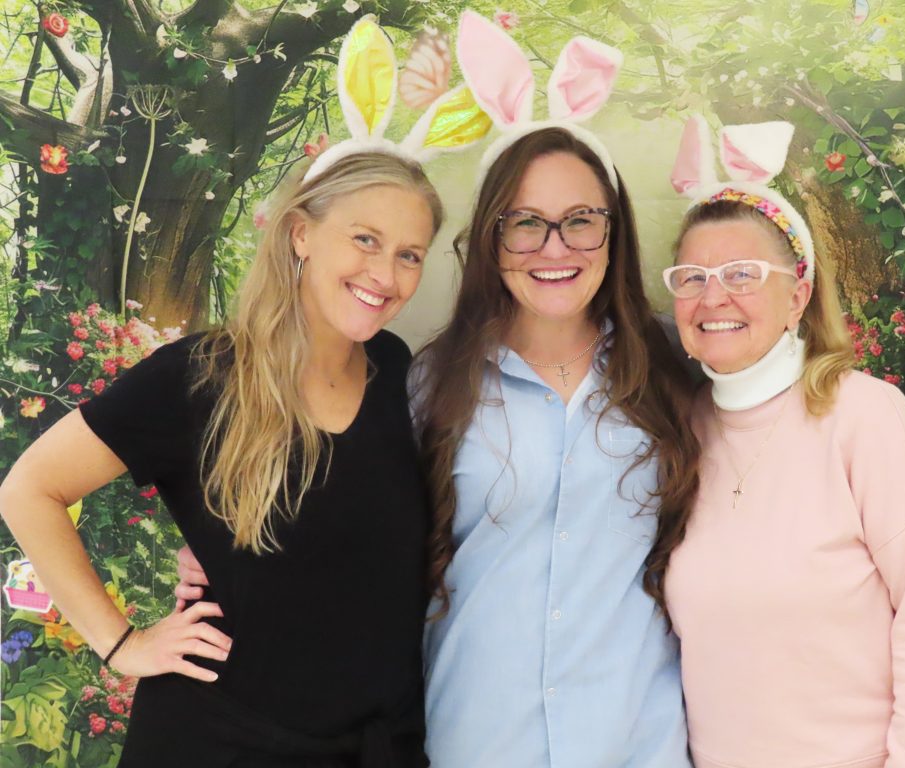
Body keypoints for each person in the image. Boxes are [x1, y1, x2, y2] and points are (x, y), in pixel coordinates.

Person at [0, 17, 489, 768]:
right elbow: (28, 490)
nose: (385, 277)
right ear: (300, 234)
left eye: (408, 255)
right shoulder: (200, 377)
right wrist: (122, 643)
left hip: (377, 746)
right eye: (364, 239)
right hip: (216, 745)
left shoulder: (398, 372)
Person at [411, 12, 701, 767]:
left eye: (580, 221)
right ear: (488, 237)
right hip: (476, 740)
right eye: (525, 224)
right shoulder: (430, 384)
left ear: (615, 230)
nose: (554, 249)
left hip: (639, 743)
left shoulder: (677, 371)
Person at [661, 114, 905, 768]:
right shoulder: (682, 431)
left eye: (743, 273)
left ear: (798, 293)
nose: (712, 296)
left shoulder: (865, 417)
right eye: (690, 277)